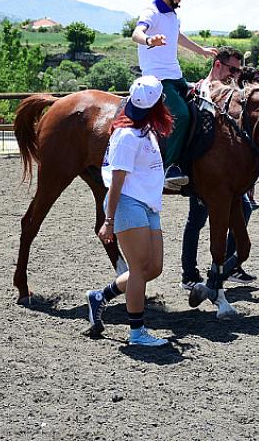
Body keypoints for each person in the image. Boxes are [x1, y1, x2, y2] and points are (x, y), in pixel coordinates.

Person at [86, 76, 173, 347]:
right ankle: (137, 333)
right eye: (162, 99)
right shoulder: (127, 136)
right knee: (138, 270)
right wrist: (109, 221)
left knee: (153, 268)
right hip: (128, 204)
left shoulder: (143, 130)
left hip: (146, 204)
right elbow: (117, 183)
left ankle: (101, 296)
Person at [131, 0, 218, 190]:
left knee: (206, 102)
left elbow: (178, 36)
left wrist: (201, 51)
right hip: (157, 80)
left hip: (176, 77)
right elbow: (136, 33)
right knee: (181, 114)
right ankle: (170, 168)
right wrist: (149, 40)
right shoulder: (152, 11)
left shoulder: (172, 15)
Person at [180, 47, 257, 290]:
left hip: (225, 173)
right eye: (232, 69)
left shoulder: (232, 94)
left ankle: (227, 265)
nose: (235, 74)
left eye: (238, 70)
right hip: (202, 169)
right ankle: (189, 274)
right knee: (197, 220)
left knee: (243, 209)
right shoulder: (202, 91)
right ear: (217, 65)